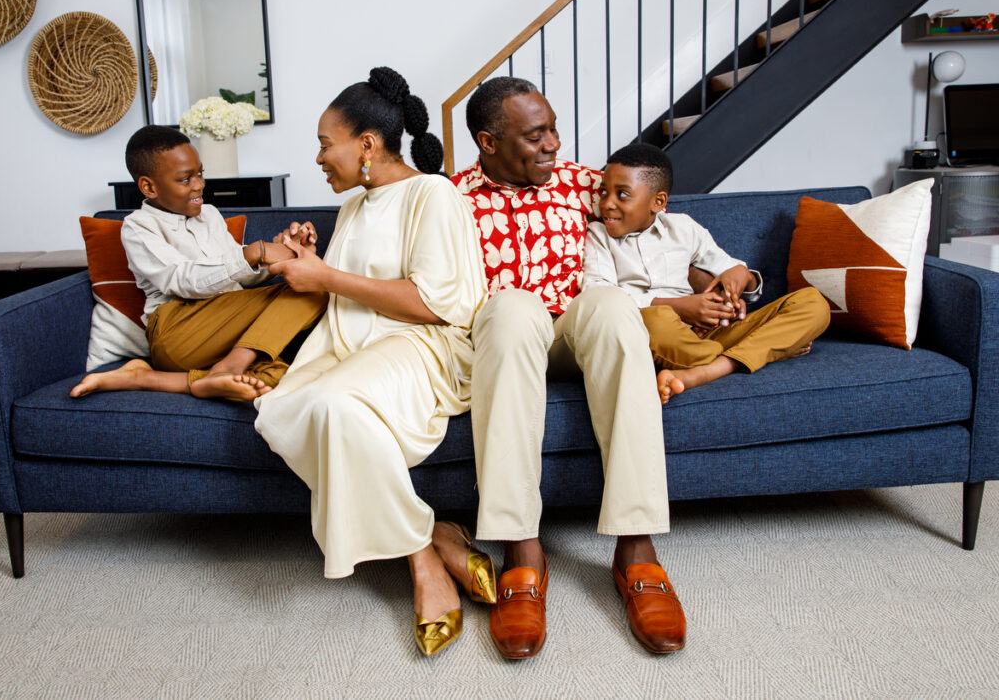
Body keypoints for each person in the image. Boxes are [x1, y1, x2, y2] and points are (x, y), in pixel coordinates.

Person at [252, 68, 491, 658]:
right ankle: (429, 536)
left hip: (422, 346)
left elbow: (434, 302)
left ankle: (423, 571)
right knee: (279, 410)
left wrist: (326, 274)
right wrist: (309, 261)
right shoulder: (355, 207)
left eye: (324, 143)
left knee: (332, 404)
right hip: (352, 343)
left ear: (366, 143)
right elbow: (344, 292)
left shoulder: (433, 194)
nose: (317, 157)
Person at [451, 77, 685, 658]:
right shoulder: (449, 200)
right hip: (506, 335)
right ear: (487, 142)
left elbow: (663, 231)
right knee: (510, 307)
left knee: (610, 305)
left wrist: (718, 282)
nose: (554, 143)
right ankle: (522, 550)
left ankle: (636, 548)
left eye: (553, 127)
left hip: (576, 332)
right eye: (536, 135)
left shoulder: (586, 185)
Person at [71, 125, 326, 402]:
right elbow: (181, 280)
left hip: (224, 332)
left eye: (200, 173)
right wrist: (255, 252)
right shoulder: (138, 226)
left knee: (293, 376)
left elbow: (241, 276)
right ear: (149, 186)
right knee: (316, 289)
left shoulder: (210, 215)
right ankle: (229, 366)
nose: (199, 185)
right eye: (185, 179)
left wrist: (287, 252)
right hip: (177, 330)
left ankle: (147, 377)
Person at [583, 143, 831, 404]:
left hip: (707, 334)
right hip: (657, 333)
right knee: (657, 320)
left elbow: (730, 268)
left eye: (622, 194)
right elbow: (598, 295)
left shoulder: (684, 228)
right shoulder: (599, 235)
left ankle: (710, 369)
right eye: (603, 192)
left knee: (813, 303)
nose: (606, 204)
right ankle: (765, 349)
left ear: (658, 201)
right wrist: (681, 307)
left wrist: (739, 278)